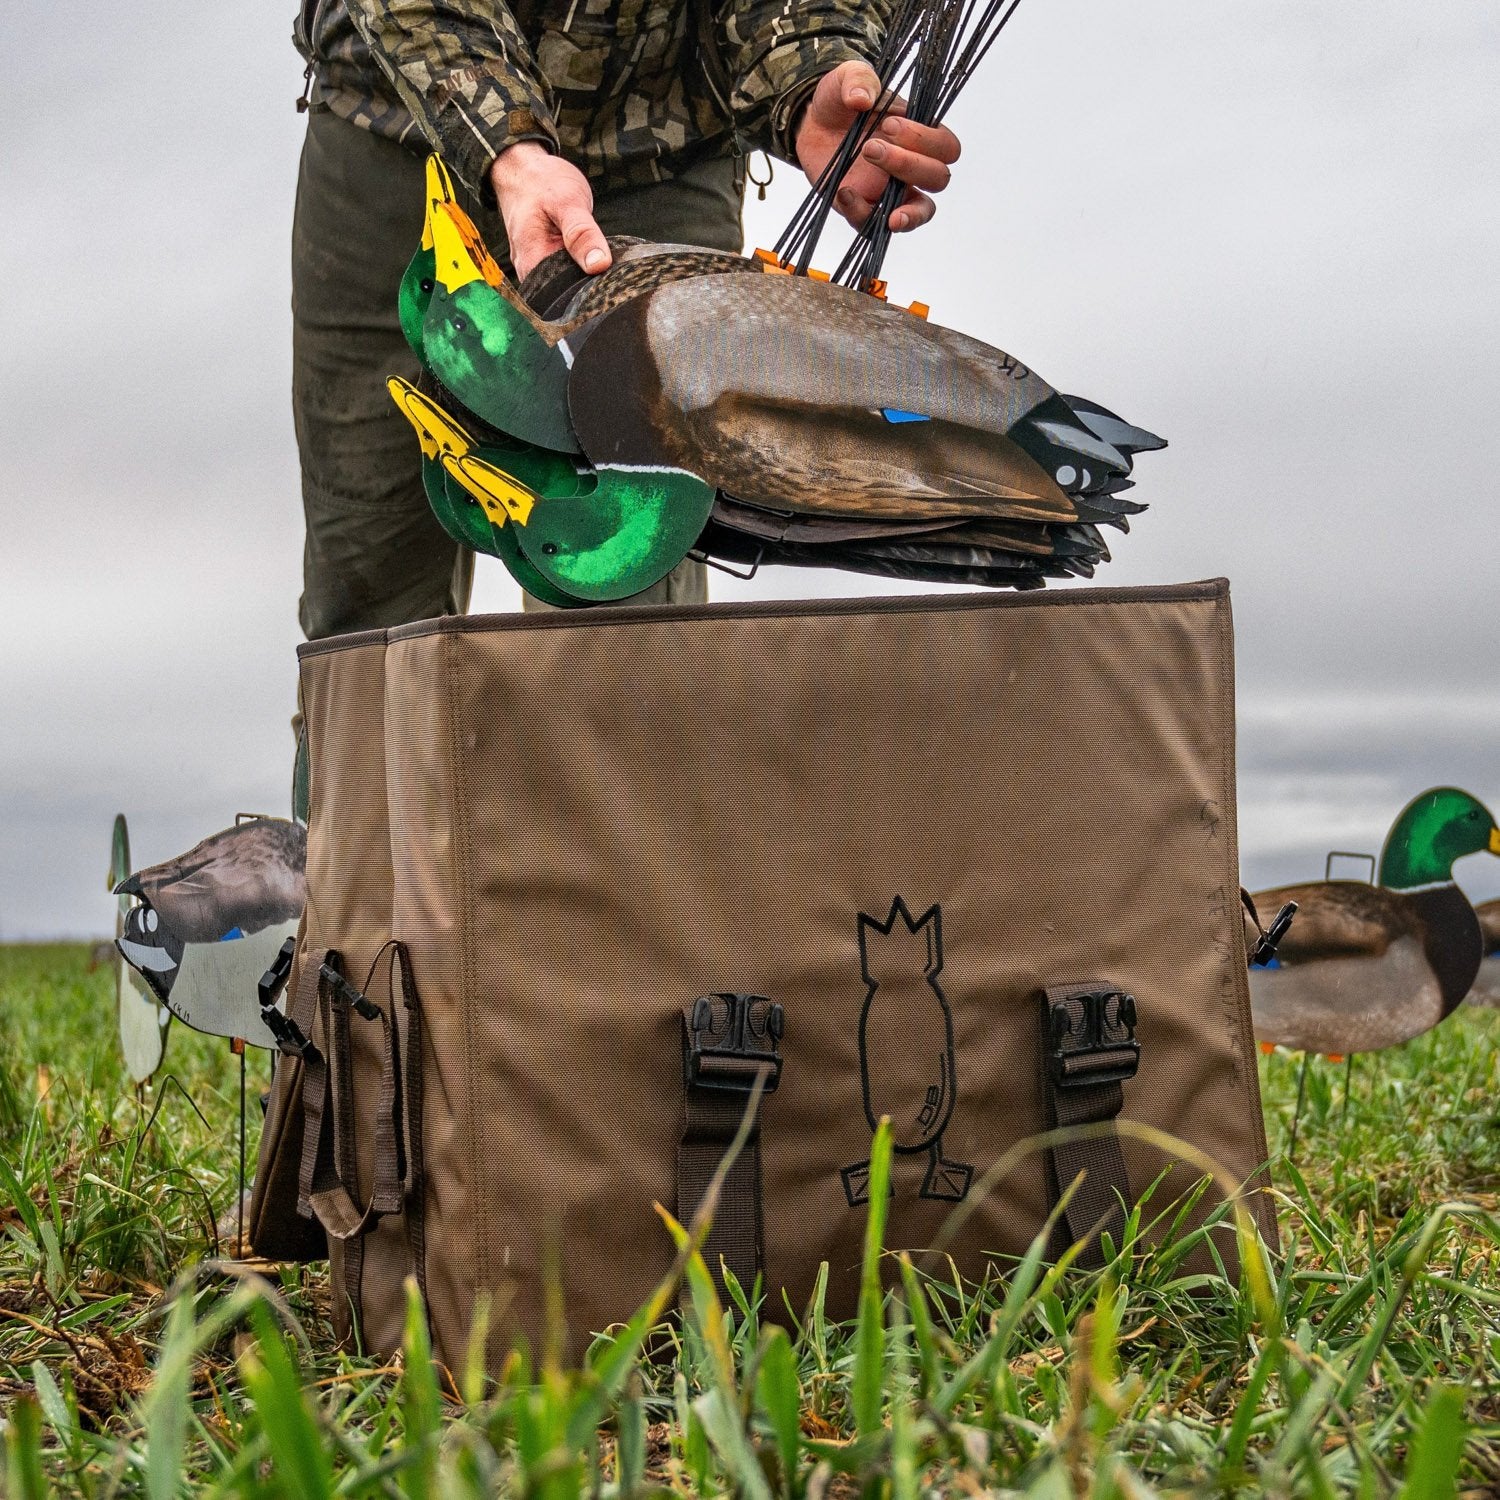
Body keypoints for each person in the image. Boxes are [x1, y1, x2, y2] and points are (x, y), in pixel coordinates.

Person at [292, 0, 963, 635]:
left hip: (660, 156)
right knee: (368, 581)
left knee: (625, 599)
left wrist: (812, 69)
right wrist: (505, 145)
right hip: (398, 128)